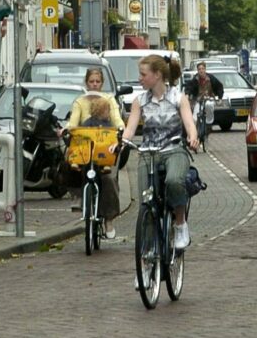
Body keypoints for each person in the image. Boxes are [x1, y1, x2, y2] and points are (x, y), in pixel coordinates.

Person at [116, 55, 199, 250]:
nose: (140, 79)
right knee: (146, 198)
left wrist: (193, 137)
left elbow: (189, 123)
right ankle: (148, 251)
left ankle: (180, 224)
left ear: (158, 75)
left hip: (174, 149)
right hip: (148, 152)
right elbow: (130, 128)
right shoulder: (139, 101)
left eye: (143, 74)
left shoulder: (178, 98)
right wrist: (122, 143)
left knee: (173, 181)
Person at [65, 67, 123, 239]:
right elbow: (73, 122)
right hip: (84, 146)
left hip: (104, 147)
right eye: (91, 81)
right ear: (86, 82)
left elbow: (117, 119)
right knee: (69, 163)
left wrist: (121, 129)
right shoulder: (80, 102)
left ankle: (109, 219)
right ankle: (77, 196)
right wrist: (66, 130)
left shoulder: (109, 100)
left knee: (109, 179)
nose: (95, 85)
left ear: (102, 83)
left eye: (98, 81)